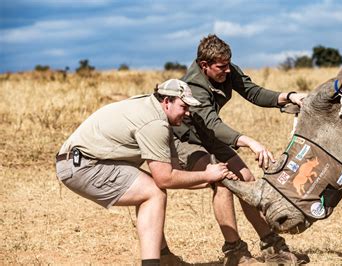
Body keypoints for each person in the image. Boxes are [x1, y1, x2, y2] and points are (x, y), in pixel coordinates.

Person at [55, 79, 237, 266]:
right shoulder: (154, 124)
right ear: (167, 101)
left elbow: (174, 173)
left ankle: (164, 257)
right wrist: (208, 175)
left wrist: (216, 177)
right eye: (184, 106)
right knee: (153, 192)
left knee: (150, 188)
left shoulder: (155, 113)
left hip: (81, 161)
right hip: (82, 165)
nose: (188, 113)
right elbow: (165, 179)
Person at [172, 34, 307, 265]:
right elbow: (213, 125)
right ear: (204, 66)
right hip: (185, 139)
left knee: (246, 179)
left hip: (207, 134)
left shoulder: (225, 69)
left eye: (228, 65)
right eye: (221, 67)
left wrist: (290, 96)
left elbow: (253, 92)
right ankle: (234, 252)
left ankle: (271, 245)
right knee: (223, 181)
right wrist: (251, 142)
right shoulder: (195, 86)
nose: (227, 71)